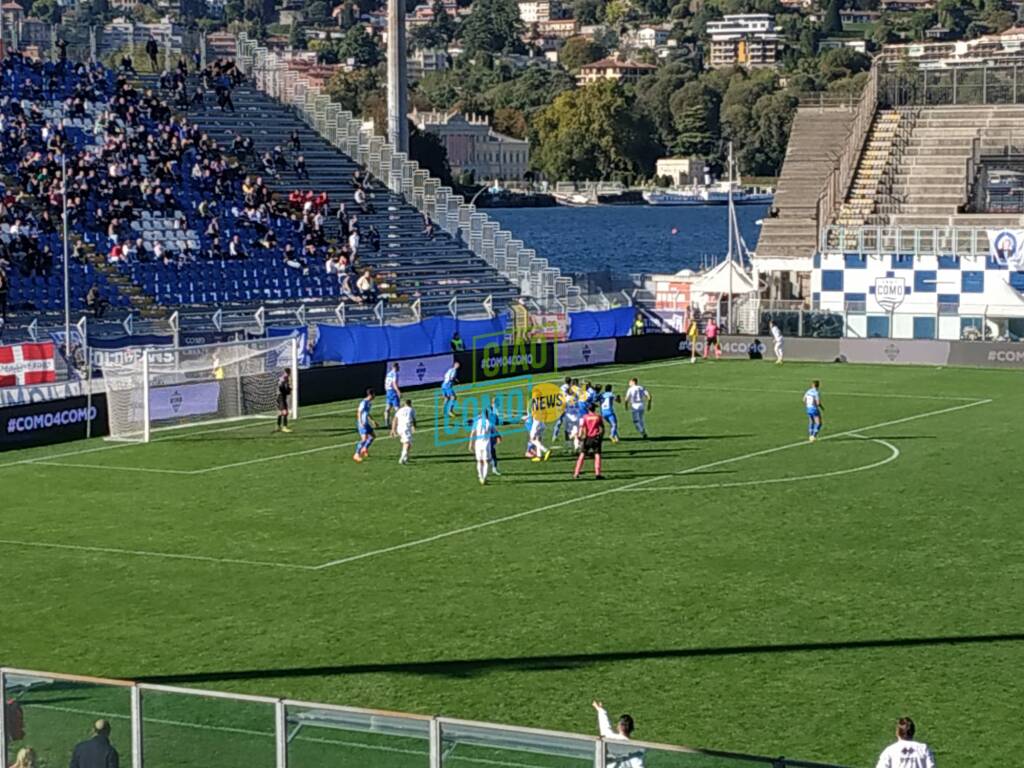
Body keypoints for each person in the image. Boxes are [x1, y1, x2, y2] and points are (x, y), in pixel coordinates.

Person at [592, 702, 642, 768]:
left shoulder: (610, 738)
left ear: (619, 727)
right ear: (632, 729)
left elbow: (605, 727)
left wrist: (600, 710)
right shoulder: (636, 748)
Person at [574, 404, 605, 480]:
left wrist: (579, 436)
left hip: (587, 438)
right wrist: (601, 436)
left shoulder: (585, 417)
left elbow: (582, 427)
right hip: (596, 438)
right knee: (597, 455)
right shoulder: (598, 417)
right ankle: (597, 473)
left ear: (588, 409)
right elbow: (602, 428)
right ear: (594, 409)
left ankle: (576, 472)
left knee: (582, 455)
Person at [468, 410, 492, 485]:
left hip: (478, 444)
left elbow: (472, 433)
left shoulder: (476, 422)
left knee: (479, 461)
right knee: (486, 462)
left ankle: (480, 477)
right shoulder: (489, 423)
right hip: (486, 444)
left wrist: (470, 444)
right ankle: (484, 478)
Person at [352, 389, 376, 463]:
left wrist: (372, 421)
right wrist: (361, 422)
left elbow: (367, 413)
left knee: (373, 436)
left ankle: (364, 448)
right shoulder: (363, 403)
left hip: (366, 423)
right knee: (364, 439)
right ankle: (356, 454)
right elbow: (359, 412)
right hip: (362, 423)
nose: (375, 396)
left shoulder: (369, 403)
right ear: (371, 395)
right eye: (374, 394)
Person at [394, 399, 416, 465]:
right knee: (407, 443)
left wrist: (393, 430)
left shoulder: (400, 410)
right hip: (406, 427)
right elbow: (414, 419)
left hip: (399, 428)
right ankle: (402, 458)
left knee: (407, 442)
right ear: (410, 404)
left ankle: (406, 458)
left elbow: (395, 420)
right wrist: (414, 426)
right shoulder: (411, 409)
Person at [383, 362, 401, 432]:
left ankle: (387, 423)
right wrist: (398, 391)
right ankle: (399, 423)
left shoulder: (389, 373)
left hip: (388, 391)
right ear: (395, 367)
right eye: (398, 366)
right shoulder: (395, 374)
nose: (399, 368)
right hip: (392, 392)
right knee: (397, 409)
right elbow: (394, 384)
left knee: (388, 408)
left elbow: (386, 383)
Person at [275, 369, 292, 433]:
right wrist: (289, 390)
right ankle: (284, 427)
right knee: (285, 412)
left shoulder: (281, 378)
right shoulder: (285, 378)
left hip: (279, 396)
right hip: (281, 397)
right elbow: (282, 388)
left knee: (280, 412)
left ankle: (278, 427)